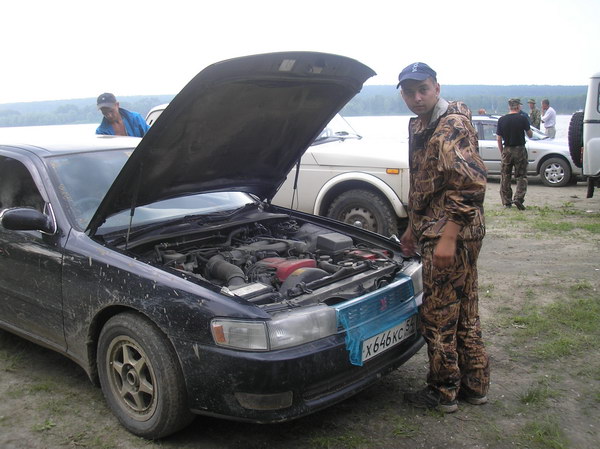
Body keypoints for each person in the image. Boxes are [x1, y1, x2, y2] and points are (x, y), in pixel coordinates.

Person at [397, 62, 490, 413]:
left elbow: (471, 183)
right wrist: (411, 226)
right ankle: (475, 384)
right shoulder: (424, 123)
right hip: (438, 227)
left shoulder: (450, 126)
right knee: (465, 307)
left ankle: (443, 390)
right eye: (409, 92)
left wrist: (449, 237)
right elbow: (424, 182)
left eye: (423, 89)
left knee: (437, 314)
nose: (416, 98)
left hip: (450, 232)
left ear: (437, 87)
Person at [496, 98, 533, 210]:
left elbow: (498, 138)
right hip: (520, 149)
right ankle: (518, 198)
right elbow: (530, 134)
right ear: (517, 107)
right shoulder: (522, 119)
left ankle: (507, 201)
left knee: (505, 176)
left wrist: (502, 151)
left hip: (507, 149)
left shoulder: (501, 120)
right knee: (521, 176)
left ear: (509, 107)